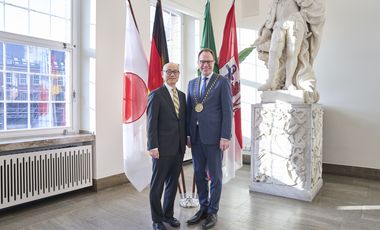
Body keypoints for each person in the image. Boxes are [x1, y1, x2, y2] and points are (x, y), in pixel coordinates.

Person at [186, 48, 233, 229]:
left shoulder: (222, 82)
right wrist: (189, 134)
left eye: (209, 62)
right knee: (199, 175)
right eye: (202, 62)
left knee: (215, 176)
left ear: (214, 64)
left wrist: (225, 136)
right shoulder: (192, 83)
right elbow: (191, 110)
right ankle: (203, 208)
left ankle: (213, 211)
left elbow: (227, 112)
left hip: (214, 139)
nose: (205, 65)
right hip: (196, 138)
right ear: (198, 64)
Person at [254, 0, 325, 103]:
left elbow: (312, 6)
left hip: (295, 21)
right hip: (279, 24)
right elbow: (270, 21)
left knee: (292, 54)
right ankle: (270, 81)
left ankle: (288, 82)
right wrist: (263, 37)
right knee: (273, 53)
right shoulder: (274, 2)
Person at [147, 63, 187, 230]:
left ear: (178, 75)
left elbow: (182, 121)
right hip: (161, 150)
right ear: (162, 74)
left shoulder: (183, 96)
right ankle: (157, 219)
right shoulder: (156, 95)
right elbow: (151, 124)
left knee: (172, 184)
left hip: (178, 148)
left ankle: (168, 215)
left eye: (175, 72)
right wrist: (152, 146)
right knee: (157, 185)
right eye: (168, 71)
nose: (172, 74)